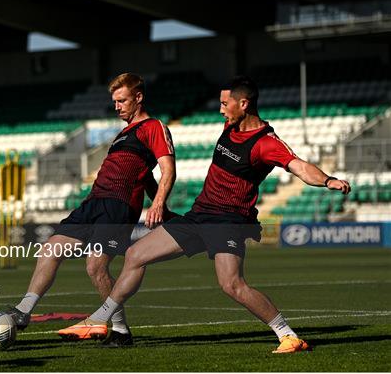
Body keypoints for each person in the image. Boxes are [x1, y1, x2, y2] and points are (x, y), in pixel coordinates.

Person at [61, 75, 351, 353]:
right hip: (199, 214)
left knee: (232, 285)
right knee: (136, 255)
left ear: (244, 104)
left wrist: (327, 181)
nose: (221, 109)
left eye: (226, 104)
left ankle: (288, 336)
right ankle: (102, 320)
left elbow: (299, 166)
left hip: (228, 221)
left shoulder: (266, 142)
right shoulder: (230, 128)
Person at [6, 73, 176, 347]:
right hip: (93, 203)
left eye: (122, 100)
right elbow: (146, 177)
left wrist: (158, 206)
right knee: (50, 249)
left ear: (139, 97)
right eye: (114, 101)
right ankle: (24, 311)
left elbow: (168, 169)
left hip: (118, 207)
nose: (117, 106)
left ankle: (120, 330)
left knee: (96, 266)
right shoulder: (123, 134)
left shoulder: (154, 127)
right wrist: (158, 200)